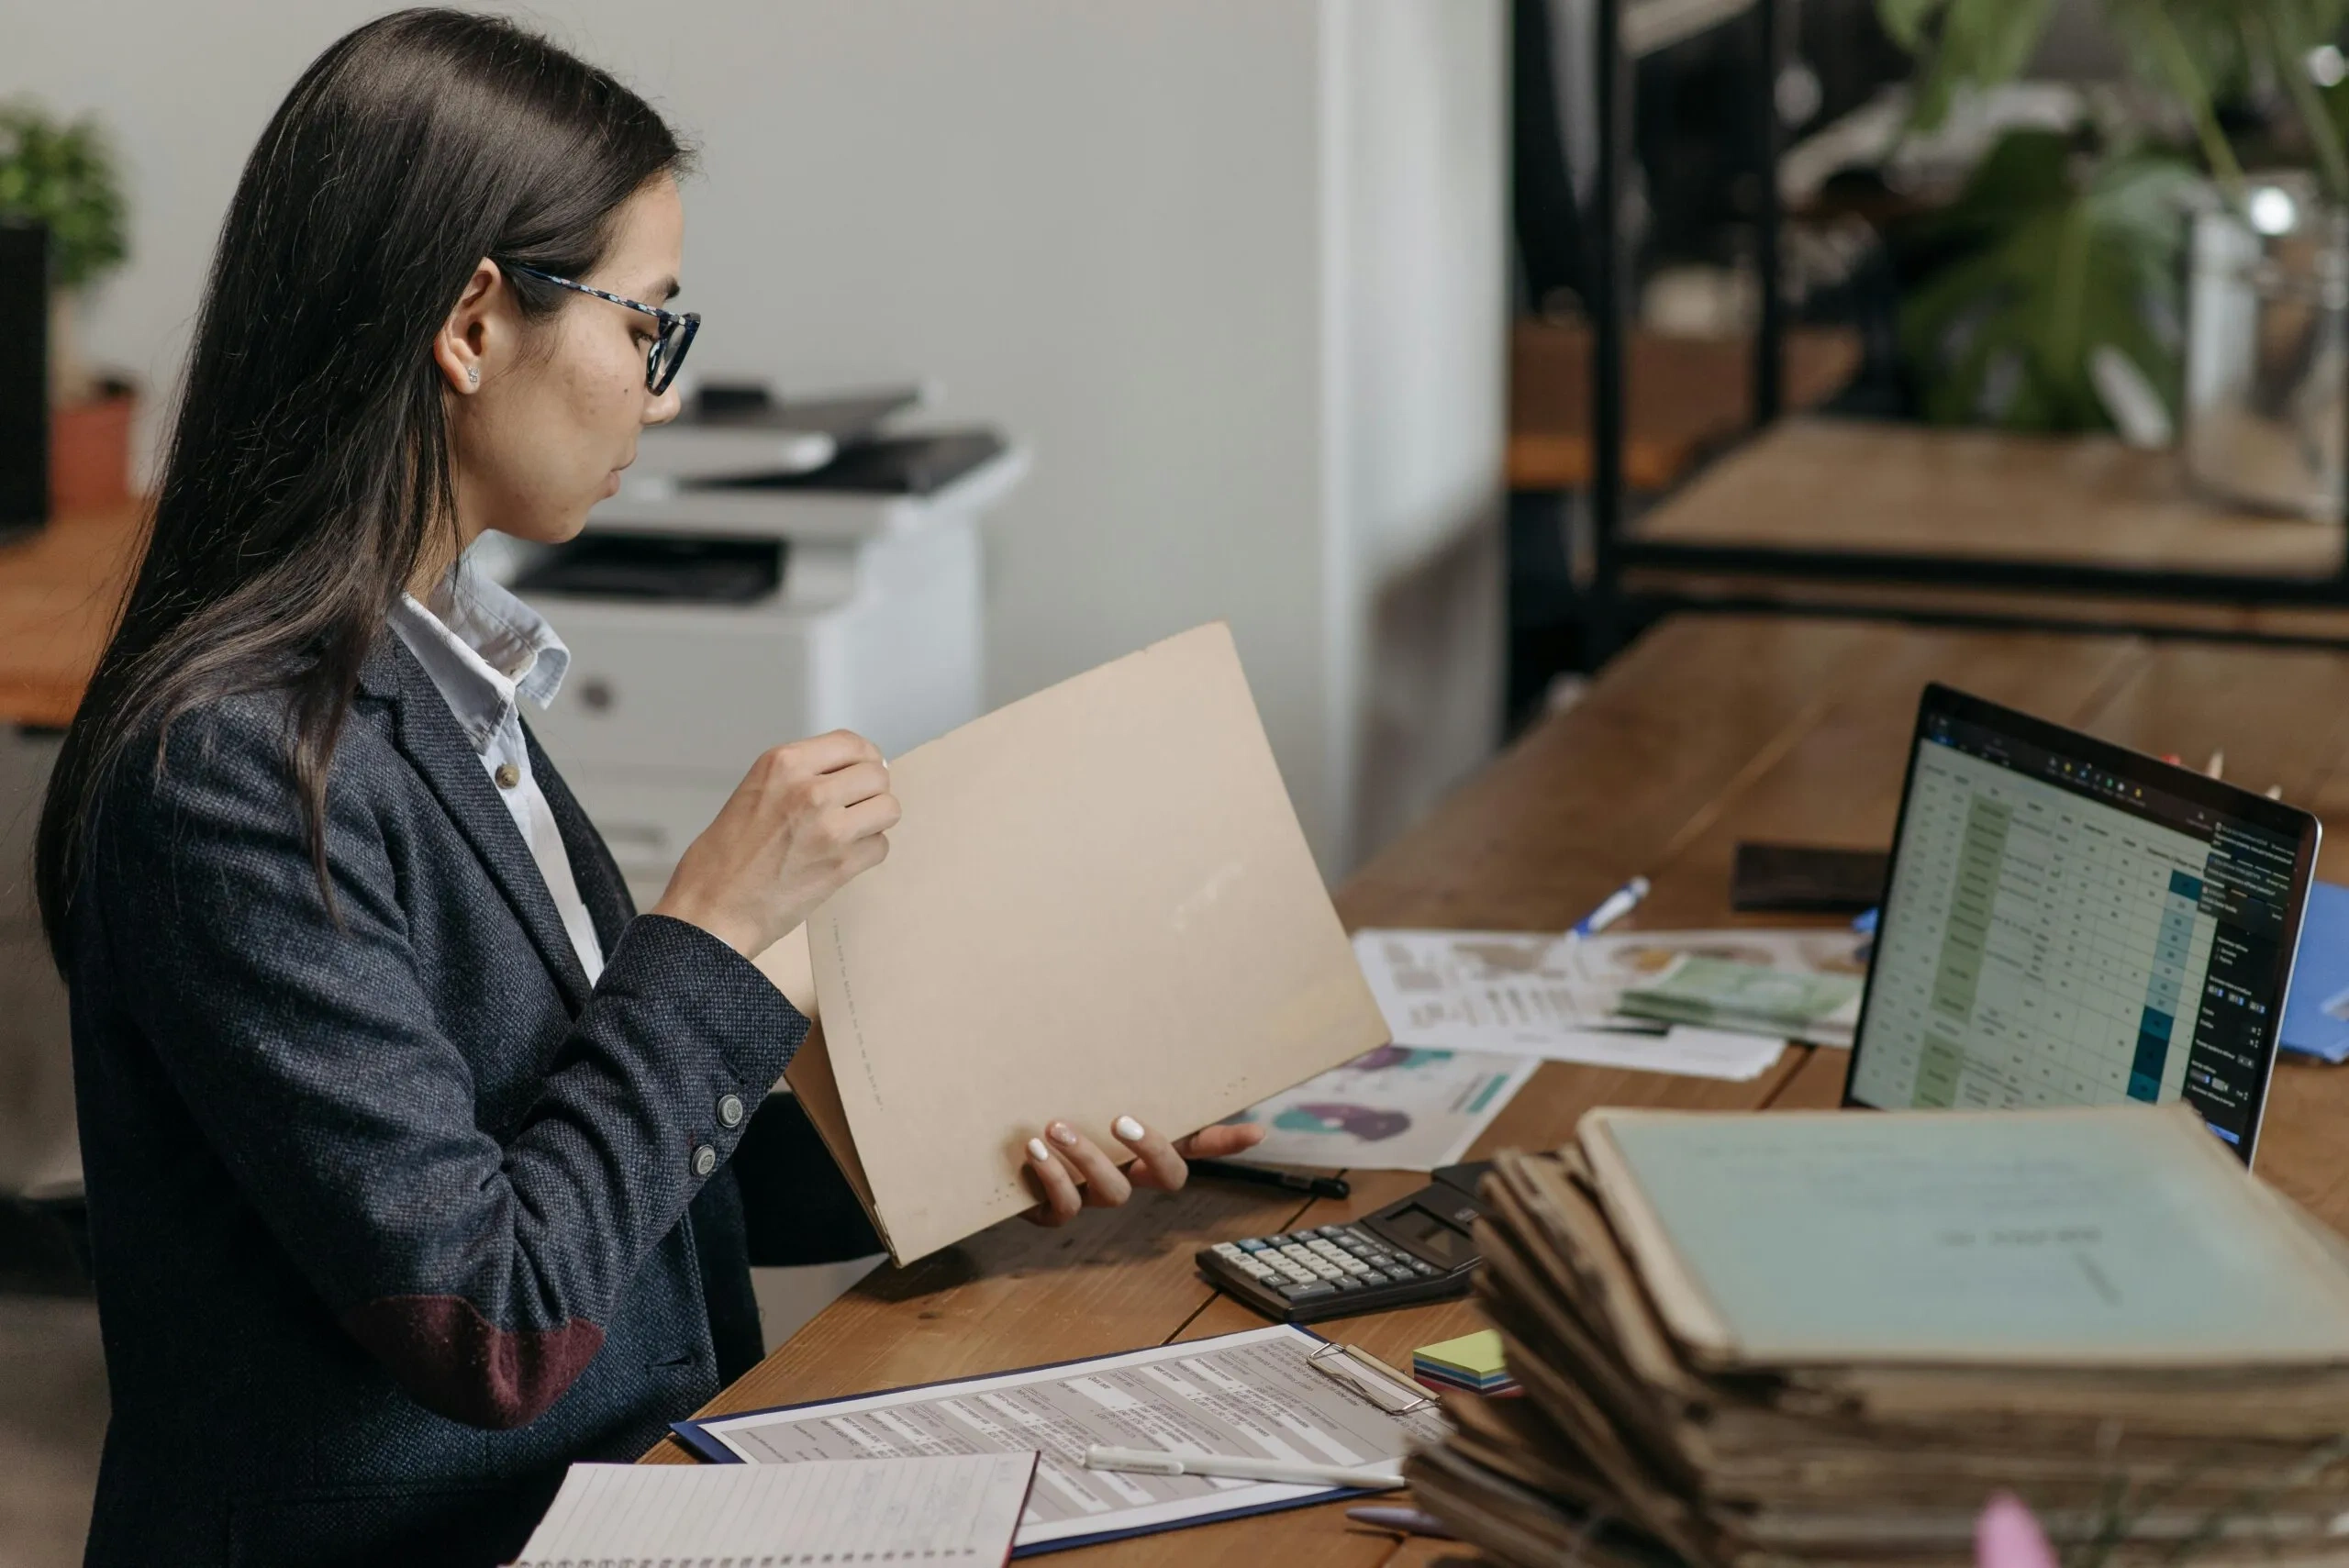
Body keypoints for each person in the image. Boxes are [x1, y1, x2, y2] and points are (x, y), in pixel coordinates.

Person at [31, 13, 1263, 1566]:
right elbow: (490, 1317)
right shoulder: (230, 764)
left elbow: (603, 1169)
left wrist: (996, 1138)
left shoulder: (433, 675)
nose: (660, 395)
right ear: (474, 323)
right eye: (646, 327)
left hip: (634, 1502)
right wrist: (710, 928)